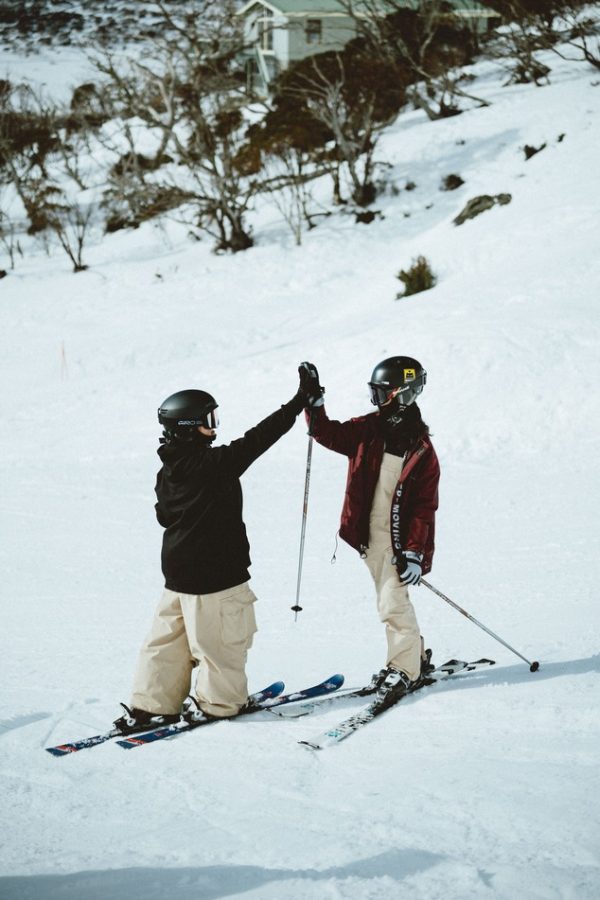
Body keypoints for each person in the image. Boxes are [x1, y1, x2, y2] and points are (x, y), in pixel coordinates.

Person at [113, 379, 307, 735]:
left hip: (177, 577)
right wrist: (297, 404)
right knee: (221, 645)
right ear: (187, 427)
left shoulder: (167, 470)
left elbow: (164, 516)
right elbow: (258, 439)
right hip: (215, 577)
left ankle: (152, 706)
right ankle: (221, 704)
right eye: (207, 420)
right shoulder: (213, 464)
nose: (213, 427)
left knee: (166, 644)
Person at [298, 357, 440, 708]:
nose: (375, 401)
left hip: (397, 544)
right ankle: (413, 656)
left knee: (393, 601)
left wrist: (413, 552)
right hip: (368, 536)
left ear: (403, 395)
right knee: (390, 598)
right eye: (373, 394)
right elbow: (327, 433)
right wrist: (314, 403)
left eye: (382, 394)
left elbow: (424, 508)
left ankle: (405, 668)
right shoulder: (369, 429)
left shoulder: (422, 451)